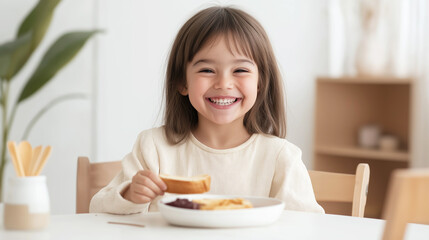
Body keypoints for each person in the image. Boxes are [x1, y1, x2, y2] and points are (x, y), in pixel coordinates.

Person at [90, 6, 324, 214]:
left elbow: (307, 226)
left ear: (260, 83)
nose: (223, 83)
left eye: (240, 70)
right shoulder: (153, 147)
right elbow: (97, 208)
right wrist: (130, 195)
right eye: (207, 70)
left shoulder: (280, 157)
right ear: (182, 82)